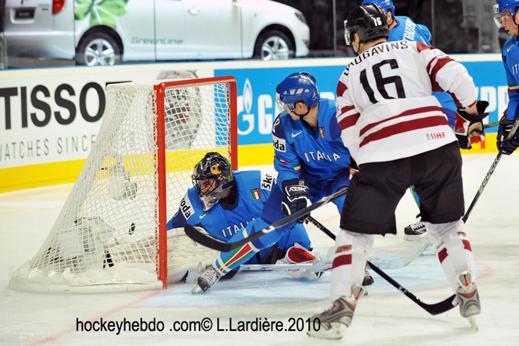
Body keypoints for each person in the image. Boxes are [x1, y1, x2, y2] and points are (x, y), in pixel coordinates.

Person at [307, 4, 484, 339]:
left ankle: (340, 307)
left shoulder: (347, 77)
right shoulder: (414, 47)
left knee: (355, 236)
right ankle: (466, 286)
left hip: (383, 154)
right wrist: (471, 111)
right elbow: (456, 75)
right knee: (447, 227)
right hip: (438, 146)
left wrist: (361, 163)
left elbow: (349, 131)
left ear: (357, 36)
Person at [362, 0, 486, 239]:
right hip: (443, 102)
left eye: (374, 16)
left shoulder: (390, 44)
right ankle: (438, 217)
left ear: (387, 15)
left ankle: (439, 221)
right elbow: (426, 36)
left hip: (430, 109)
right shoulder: (407, 23)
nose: (371, 22)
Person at [167, 152, 321, 293]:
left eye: (207, 183)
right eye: (200, 184)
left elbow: (285, 199)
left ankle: (294, 252)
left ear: (223, 179)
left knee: (286, 223)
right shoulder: (193, 203)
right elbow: (171, 229)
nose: (202, 190)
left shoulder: (256, 182)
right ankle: (287, 257)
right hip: (241, 254)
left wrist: (296, 205)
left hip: (277, 242)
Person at [273, 71, 373, 286]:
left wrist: (362, 166)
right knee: (280, 207)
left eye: (287, 103)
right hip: (307, 179)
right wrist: (293, 191)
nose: (284, 108)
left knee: (353, 210)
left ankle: (357, 259)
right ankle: (283, 247)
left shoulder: (337, 117)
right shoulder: (282, 125)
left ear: (300, 106)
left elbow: (364, 145)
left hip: (340, 177)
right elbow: (285, 165)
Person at [494, 0, 519, 154]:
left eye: (504, 18)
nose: (503, 25)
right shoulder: (509, 50)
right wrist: (509, 120)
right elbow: (515, 95)